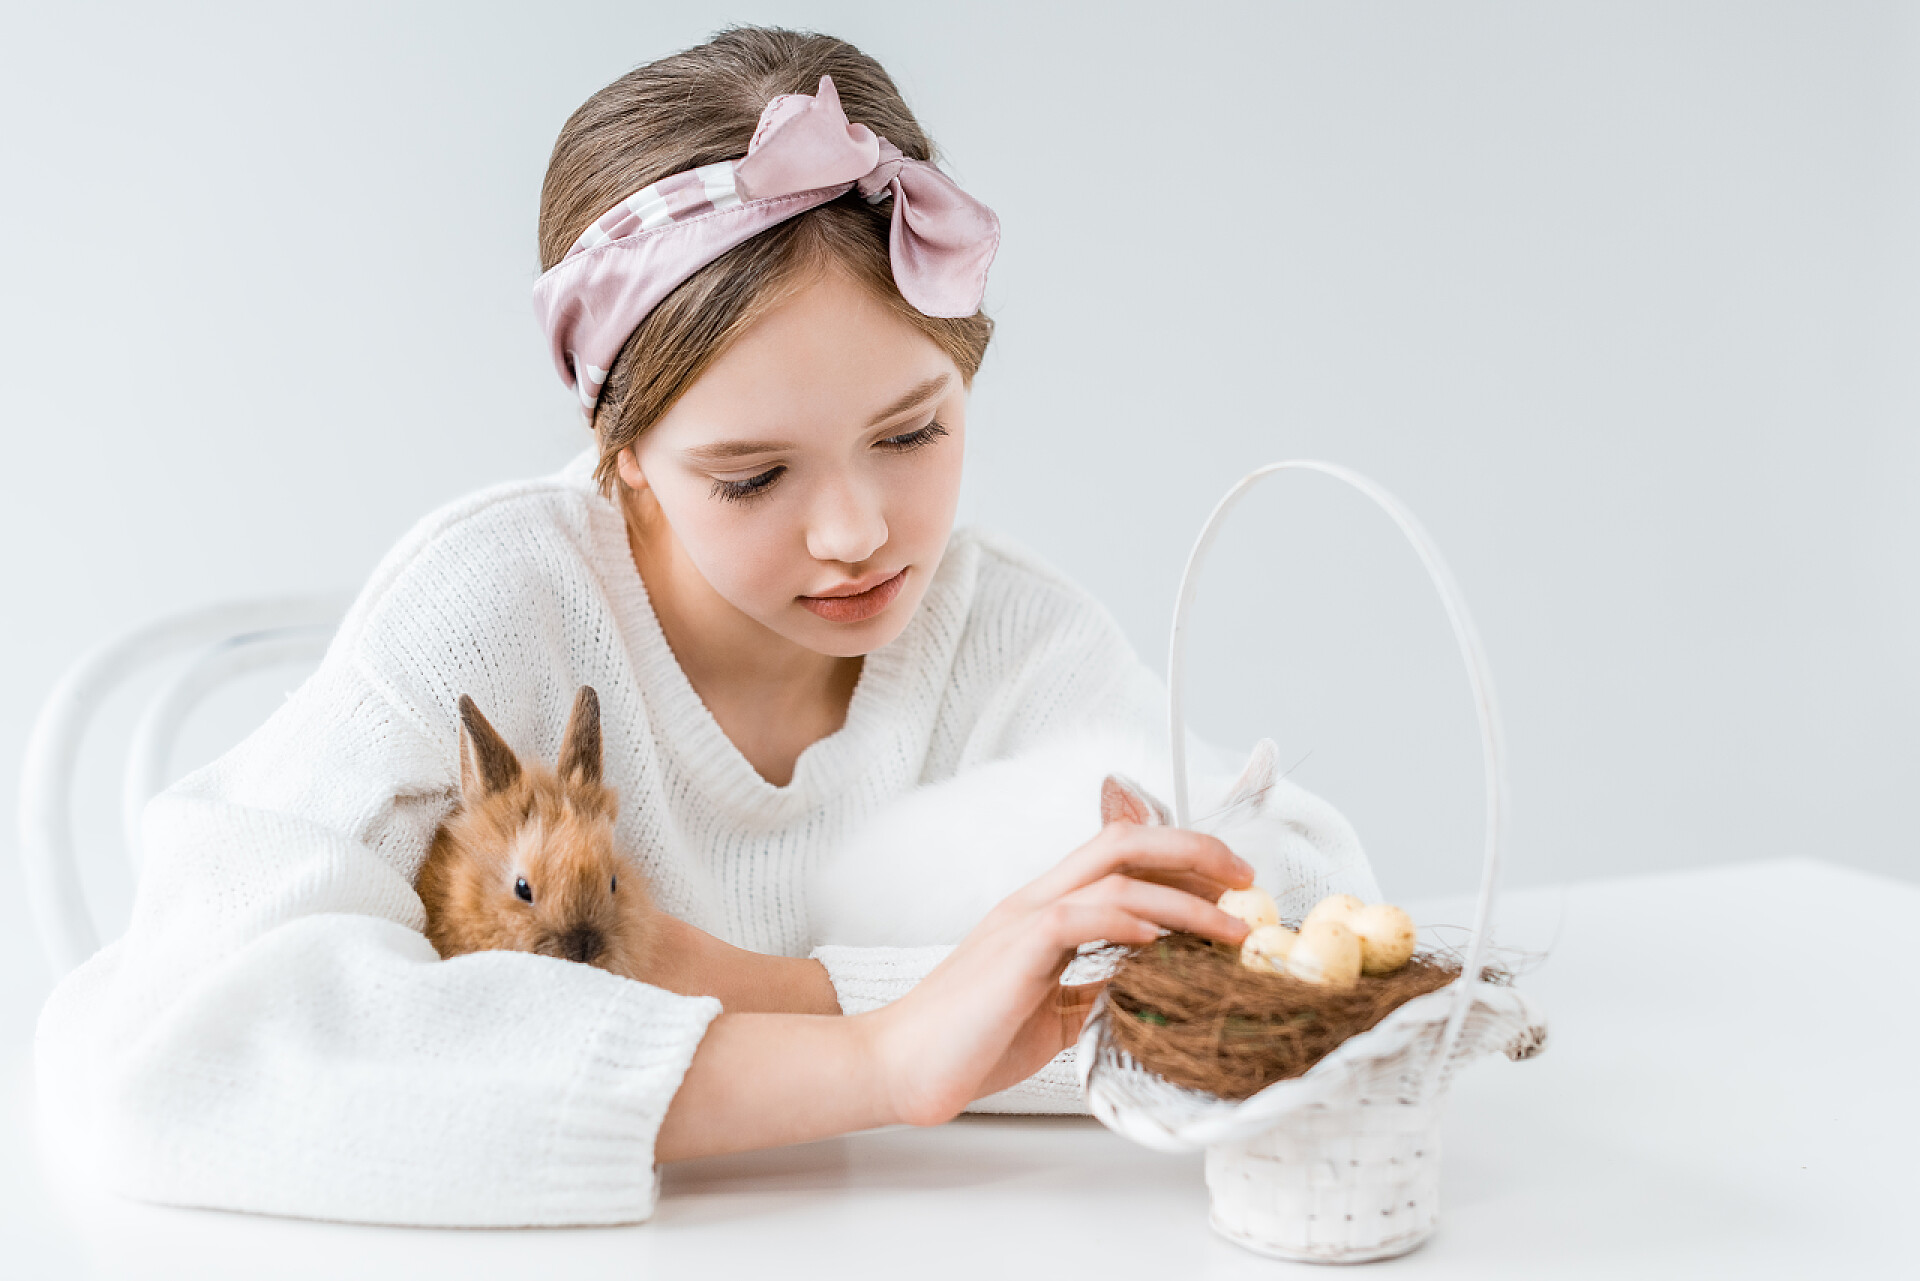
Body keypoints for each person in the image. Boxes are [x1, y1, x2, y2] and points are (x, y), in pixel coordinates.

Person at [34, 25, 1373, 1228]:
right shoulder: (493, 607)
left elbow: (1316, 932)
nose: (857, 530)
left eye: (912, 431)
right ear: (619, 451)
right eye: (752, 474)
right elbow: (169, 1047)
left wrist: (776, 990)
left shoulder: (997, 629)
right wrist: (884, 1053)